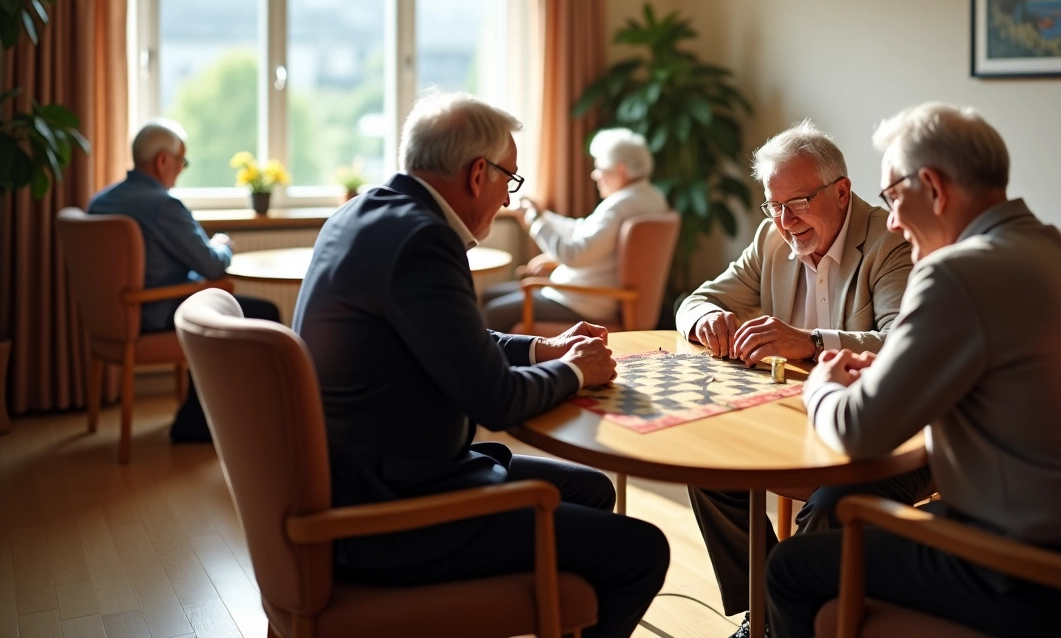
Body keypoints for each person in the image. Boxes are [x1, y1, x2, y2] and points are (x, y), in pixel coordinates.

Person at [292, 92, 669, 638]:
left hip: (364, 475)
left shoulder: (365, 212)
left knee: (592, 490)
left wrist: (546, 349)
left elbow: (457, 340)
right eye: (509, 179)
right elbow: (495, 400)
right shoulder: (425, 238)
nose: (507, 195)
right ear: (477, 174)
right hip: (396, 515)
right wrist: (579, 371)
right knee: (642, 550)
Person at [766, 103, 1061, 637]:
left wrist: (823, 383)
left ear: (934, 189)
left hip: (1015, 572)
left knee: (791, 568)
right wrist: (899, 369)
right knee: (840, 511)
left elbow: (857, 433)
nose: (891, 220)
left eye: (894, 197)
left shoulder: (956, 272)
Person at [674, 119, 924, 637]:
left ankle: (786, 620)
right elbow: (695, 301)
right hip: (795, 417)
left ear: (841, 192)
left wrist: (811, 341)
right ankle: (765, 613)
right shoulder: (770, 238)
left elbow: (905, 342)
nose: (785, 221)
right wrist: (705, 319)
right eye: (774, 205)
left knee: (828, 505)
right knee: (706, 465)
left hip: (876, 426)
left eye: (798, 203)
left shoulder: (888, 241)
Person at [88, 119, 280, 442]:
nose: (180, 169)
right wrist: (222, 246)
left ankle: (202, 413)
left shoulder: (101, 201)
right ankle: (217, 421)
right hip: (155, 314)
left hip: (112, 319)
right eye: (181, 161)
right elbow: (210, 264)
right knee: (264, 313)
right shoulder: (163, 206)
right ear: (163, 161)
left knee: (207, 298)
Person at [481, 127, 669, 331]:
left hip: (582, 301)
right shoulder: (652, 197)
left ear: (621, 170)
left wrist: (535, 220)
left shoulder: (620, 205)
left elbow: (572, 255)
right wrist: (543, 216)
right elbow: (584, 229)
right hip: (590, 295)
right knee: (490, 296)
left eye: (600, 168)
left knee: (493, 310)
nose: (595, 175)